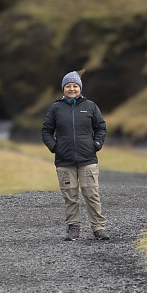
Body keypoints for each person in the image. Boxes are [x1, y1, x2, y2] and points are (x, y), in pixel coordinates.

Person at [41, 70, 110, 241]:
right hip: (64, 161)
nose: (72, 89)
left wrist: (97, 144)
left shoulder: (90, 106)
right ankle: (74, 228)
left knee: (91, 194)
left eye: (75, 86)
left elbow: (101, 127)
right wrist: (54, 147)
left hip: (88, 159)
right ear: (63, 88)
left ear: (80, 88)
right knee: (70, 195)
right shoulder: (56, 107)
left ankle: (98, 229)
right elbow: (46, 130)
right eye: (68, 86)